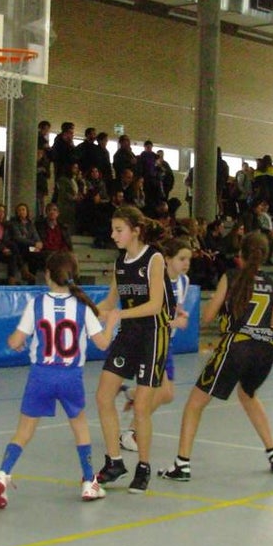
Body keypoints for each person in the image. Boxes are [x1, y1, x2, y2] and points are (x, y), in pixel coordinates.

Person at [0, 250, 121, 509]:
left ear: (47, 274)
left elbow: (15, 341)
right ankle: (88, 481)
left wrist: (19, 342)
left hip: (41, 375)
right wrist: (112, 323)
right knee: (80, 426)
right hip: (71, 376)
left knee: (24, 431)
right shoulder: (83, 307)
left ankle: (2, 475)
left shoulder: (36, 304)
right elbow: (103, 344)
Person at [159, 232, 273, 482]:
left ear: (240, 254)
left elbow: (207, 316)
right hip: (266, 350)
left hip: (237, 346)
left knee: (195, 403)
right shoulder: (271, 283)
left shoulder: (231, 277)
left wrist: (222, 314)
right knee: (247, 395)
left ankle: (182, 464)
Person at [92, 206, 172, 494]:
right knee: (103, 396)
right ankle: (114, 462)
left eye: (119, 230)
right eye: (112, 230)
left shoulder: (154, 258)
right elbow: (111, 302)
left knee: (141, 406)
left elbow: (155, 305)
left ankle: (144, 466)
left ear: (135, 230)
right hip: (129, 334)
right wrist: (90, 311)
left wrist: (118, 317)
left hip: (153, 333)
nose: (113, 235)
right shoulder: (120, 263)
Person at [119, 236, 192, 452]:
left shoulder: (183, 281)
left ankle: (132, 393)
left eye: (189, 259)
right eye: (181, 258)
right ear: (166, 259)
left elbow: (176, 309)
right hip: (148, 339)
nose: (186, 263)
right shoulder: (153, 280)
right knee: (163, 392)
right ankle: (130, 432)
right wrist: (172, 322)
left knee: (167, 394)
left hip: (165, 341)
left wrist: (180, 317)